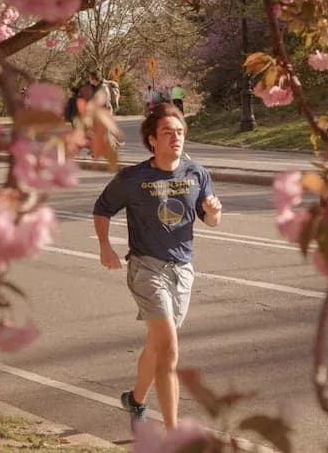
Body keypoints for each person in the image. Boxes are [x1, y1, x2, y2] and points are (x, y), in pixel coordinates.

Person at [92, 103, 223, 431]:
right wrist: (105, 246)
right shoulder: (133, 178)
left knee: (157, 346)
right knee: (169, 349)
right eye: (168, 133)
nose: (176, 138)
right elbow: (102, 208)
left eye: (179, 132)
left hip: (183, 270)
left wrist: (213, 210)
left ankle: (135, 400)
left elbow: (211, 220)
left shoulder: (196, 174)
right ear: (153, 140)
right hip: (146, 268)